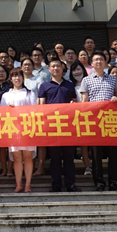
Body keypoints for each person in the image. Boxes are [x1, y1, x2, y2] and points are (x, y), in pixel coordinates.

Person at [79, 51, 117, 191]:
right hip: (94, 121)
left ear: (105, 62)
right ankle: (99, 182)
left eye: (101, 59)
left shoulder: (113, 80)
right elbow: (84, 101)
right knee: (96, 154)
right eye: (96, 60)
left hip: (110, 120)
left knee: (113, 154)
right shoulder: (86, 80)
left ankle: (113, 182)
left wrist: (116, 99)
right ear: (91, 63)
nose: (98, 62)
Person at [38, 59, 81, 193]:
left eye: (58, 66)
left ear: (63, 69)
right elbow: (41, 107)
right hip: (52, 127)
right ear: (49, 69)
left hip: (68, 127)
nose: (56, 68)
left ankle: (70, 184)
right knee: (55, 158)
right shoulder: (44, 86)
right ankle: (56, 184)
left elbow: (74, 102)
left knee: (69, 158)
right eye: (53, 66)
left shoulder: (69, 85)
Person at [2, 68, 37, 193]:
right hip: (13, 129)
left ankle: (28, 184)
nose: (17, 78)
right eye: (14, 76)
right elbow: (1, 113)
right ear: (11, 79)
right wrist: (8, 109)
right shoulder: (6, 95)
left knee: (27, 157)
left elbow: (34, 110)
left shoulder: (30, 93)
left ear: (23, 78)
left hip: (27, 128)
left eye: (19, 76)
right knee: (17, 158)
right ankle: (18, 184)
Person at [69, 60, 92, 176]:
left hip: (90, 116)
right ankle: (87, 166)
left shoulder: (90, 83)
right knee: (83, 143)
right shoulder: (70, 86)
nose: (76, 72)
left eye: (78, 69)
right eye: (74, 70)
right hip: (75, 118)